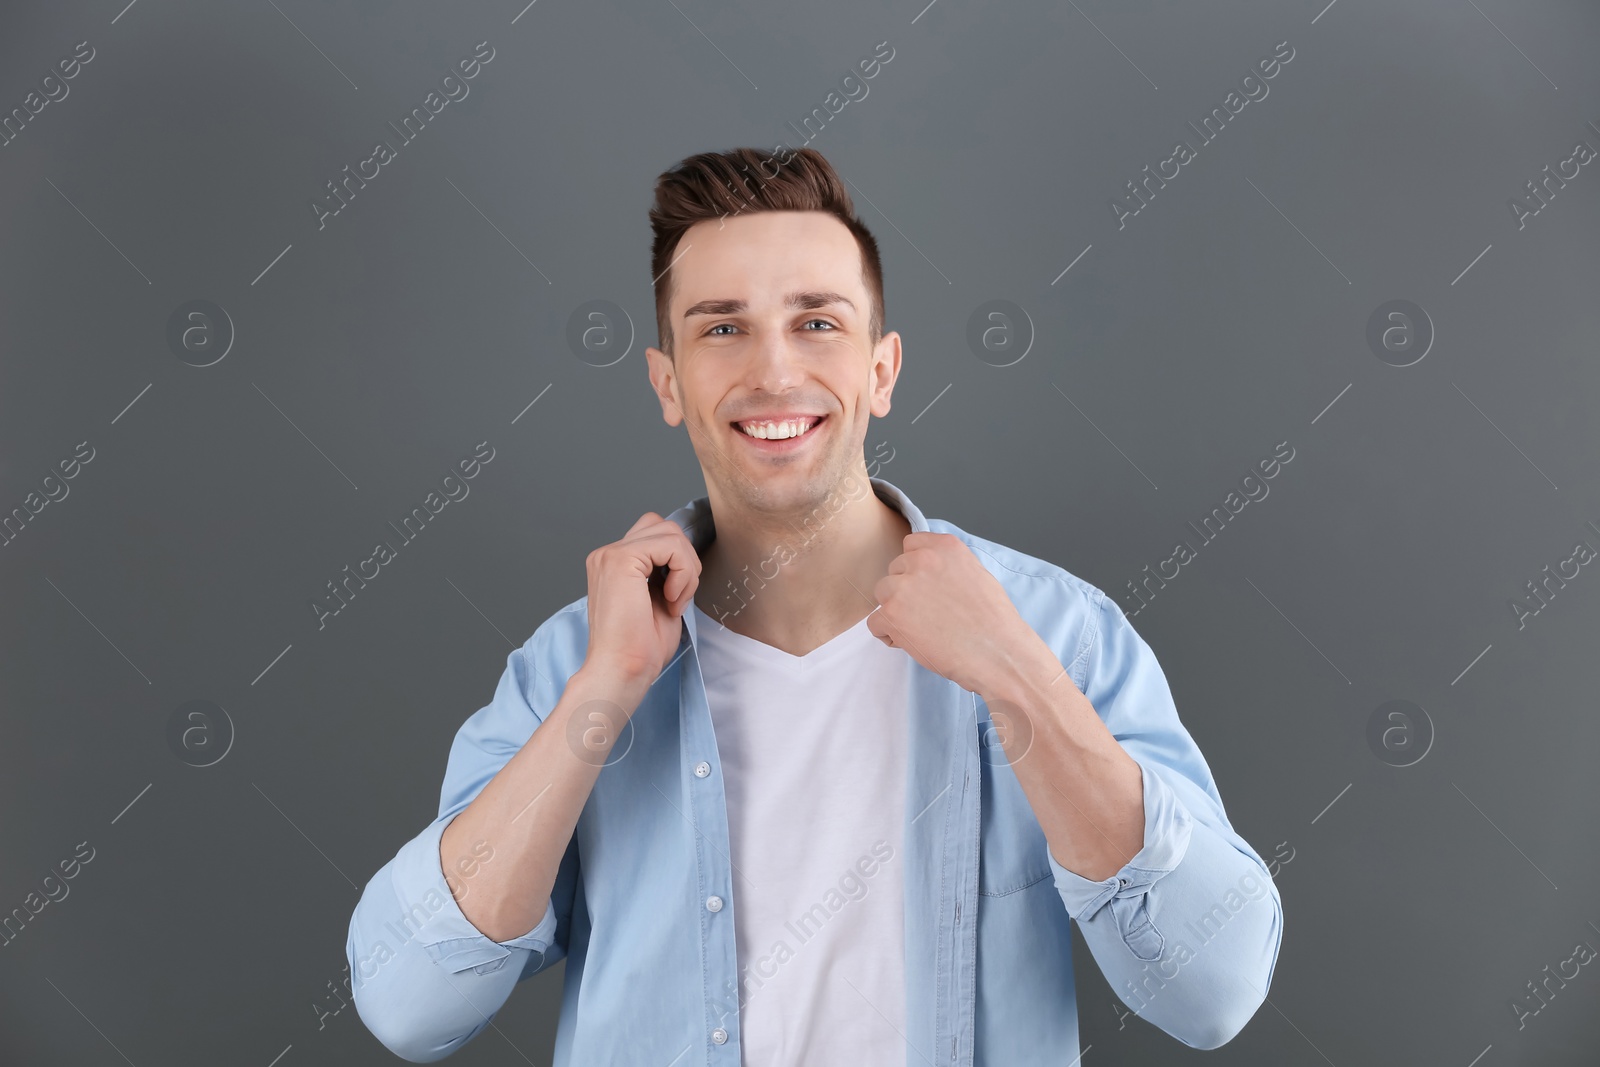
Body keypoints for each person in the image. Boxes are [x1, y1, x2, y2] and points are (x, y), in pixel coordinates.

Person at [345, 145, 1283, 1064]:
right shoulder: (575, 663)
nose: (774, 373)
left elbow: (1214, 989)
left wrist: (1016, 676)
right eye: (721, 327)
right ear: (668, 383)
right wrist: (607, 691)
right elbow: (409, 1003)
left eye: (818, 322)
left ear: (882, 368)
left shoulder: (1057, 632)